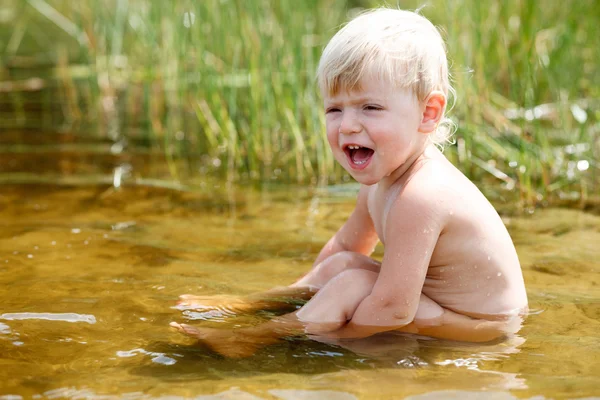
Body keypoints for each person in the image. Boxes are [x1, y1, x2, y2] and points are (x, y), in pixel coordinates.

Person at [170, 7, 528, 358]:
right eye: (334, 109)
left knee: (353, 284)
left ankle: (259, 338)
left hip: (480, 328)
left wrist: (333, 340)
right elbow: (347, 244)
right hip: (434, 308)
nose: (348, 126)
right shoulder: (382, 179)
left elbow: (393, 309)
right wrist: (310, 301)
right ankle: (248, 307)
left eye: (370, 108)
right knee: (342, 265)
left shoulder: (423, 194)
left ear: (427, 113)